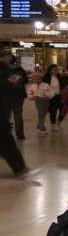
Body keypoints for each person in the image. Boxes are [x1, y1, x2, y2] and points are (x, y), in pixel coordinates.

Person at [0, 48, 29, 176]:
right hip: (5, 102)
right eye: (7, 56)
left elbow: (23, 80)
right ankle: (19, 167)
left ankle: (20, 167)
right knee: (5, 138)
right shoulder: (4, 69)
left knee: (6, 137)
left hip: (10, 99)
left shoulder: (11, 69)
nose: (9, 58)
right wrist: (8, 82)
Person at [43, 64, 66, 132]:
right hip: (52, 97)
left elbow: (65, 85)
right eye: (54, 69)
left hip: (60, 96)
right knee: (53, 111)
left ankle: (59, 123)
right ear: (50, 70)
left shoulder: (60, 77)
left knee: (63, 110)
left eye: (57, 69)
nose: (56, 71)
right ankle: (53, 126)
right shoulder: (46, 78)